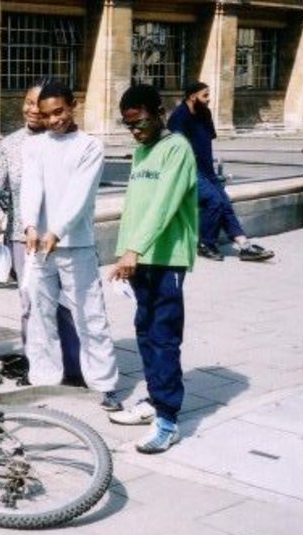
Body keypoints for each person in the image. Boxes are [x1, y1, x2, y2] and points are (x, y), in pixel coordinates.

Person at [0, 78, 84, 386]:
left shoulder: (71, 141)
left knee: (68, 305)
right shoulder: (13, 144)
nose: (31, 110)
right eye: (28, 102)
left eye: (38, 105)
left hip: (66, 238)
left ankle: (74, 368)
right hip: (22, 238)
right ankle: (39, 366)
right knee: (32, 304)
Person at [18, 81, 121, 411]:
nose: (53, 120)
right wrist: (31, 224)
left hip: (75, 243)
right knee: (38, 314)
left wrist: (57, 230)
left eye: (59, 112)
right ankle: (44, 380)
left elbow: (81, 193)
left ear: (73, 105)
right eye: (47, 115)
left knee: (89, 314)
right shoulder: (35, 146)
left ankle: (103, 384)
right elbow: (31, 186)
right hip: (39, 245)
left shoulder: (89, 146)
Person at [108, 84, 198, 454]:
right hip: (140, 257)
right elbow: (135, 206)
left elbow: (163, 205)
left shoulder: (177, 148)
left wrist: (134, 249)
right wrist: (124, 254)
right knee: (145, 331)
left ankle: (168, 419)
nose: (135, 130)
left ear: (159, 112)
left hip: (168, 257)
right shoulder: (141, 150)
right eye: (128, 125)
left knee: (163, 336)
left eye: (140, 122)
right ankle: (153, 399)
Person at [167, 82, 274, 262]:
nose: (209, 99)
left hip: (207, 169)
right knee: (213, 201)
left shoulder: (205, 114)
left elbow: (207, 140)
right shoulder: (179, 117)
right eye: (205, 96)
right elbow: (175, 147)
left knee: (224, 202)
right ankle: (206, 244)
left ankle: (244, 245)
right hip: (189, 170)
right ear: (192, 97)